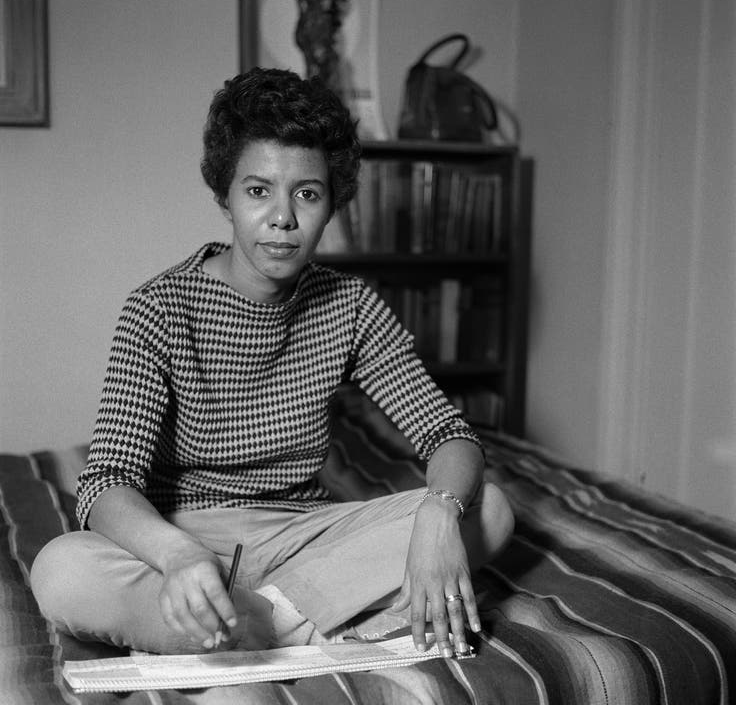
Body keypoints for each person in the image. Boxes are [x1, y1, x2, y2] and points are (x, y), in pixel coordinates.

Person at [30, 67, 513, 659]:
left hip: (303, 539)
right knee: (60, 569)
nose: (282, 218)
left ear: (332, 204)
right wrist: (180, 558)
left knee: (486, 508)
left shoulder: (351, 304)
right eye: (258, 190)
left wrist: (439, 512)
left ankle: (253, 627)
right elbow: (106, 483)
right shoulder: (158, 308)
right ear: (225, 196)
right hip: (180, 537)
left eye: (306, 194)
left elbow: (449, 435)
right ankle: (322, 619)